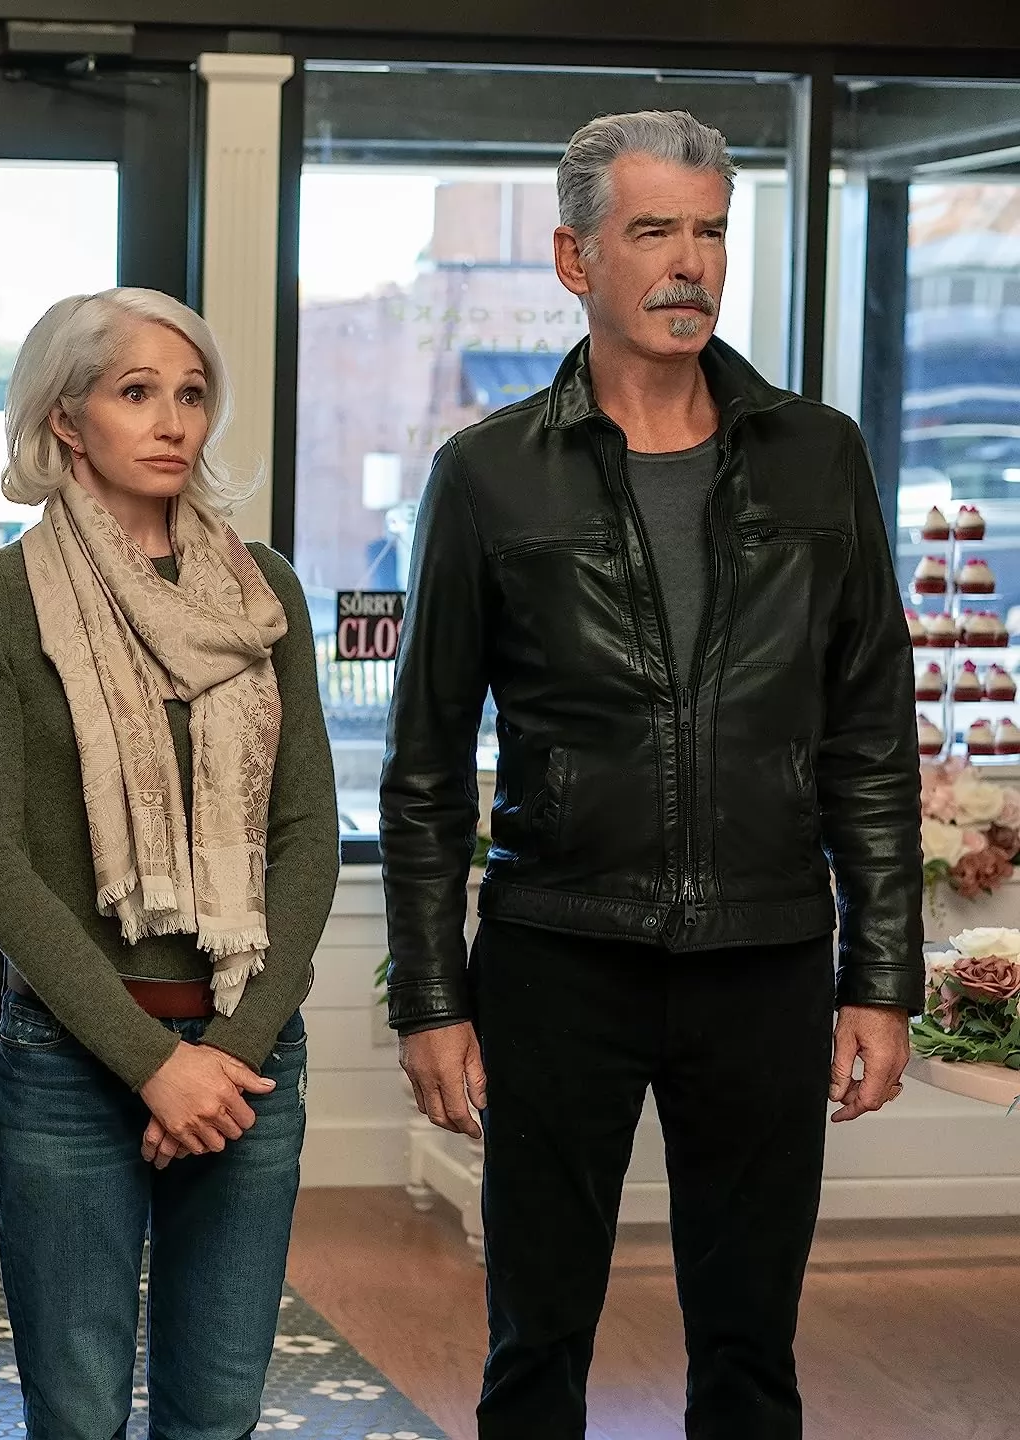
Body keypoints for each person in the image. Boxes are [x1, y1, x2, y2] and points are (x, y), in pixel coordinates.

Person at [382, 110, 921, 1440]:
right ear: (576, 258)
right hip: (559, 957)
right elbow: (426, 767)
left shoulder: (821, 455)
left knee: (751, 1349)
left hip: (766, 959)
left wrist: (881, 977)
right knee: (537, 1343)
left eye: (710, 232)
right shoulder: (487, 477)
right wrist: (432, 998)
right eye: (654, 232)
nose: (690, 263)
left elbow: (869, 737)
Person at [0, 288, 340, 1437]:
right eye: (136, 392)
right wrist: (154, 1066)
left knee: (217, 1413)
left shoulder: (263, 591)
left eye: (191, 394)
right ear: (66, 418)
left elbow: (306, 833)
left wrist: (225, 1057)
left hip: (249, 1056)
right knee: (77, 1417)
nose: (172, 421)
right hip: (69, 1064)